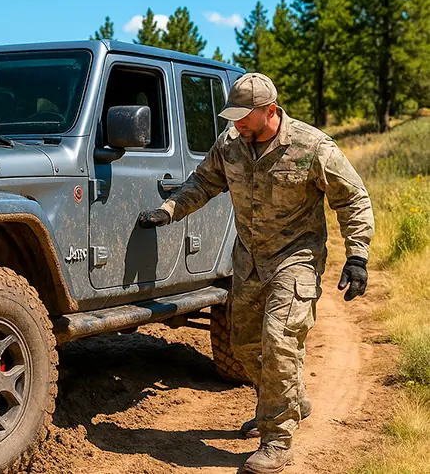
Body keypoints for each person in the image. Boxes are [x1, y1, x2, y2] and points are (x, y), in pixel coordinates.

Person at [137, 72, 374, 474]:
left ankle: (277, 439)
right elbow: (204, 182)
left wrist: (358, 256)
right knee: (245, 345)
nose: (238, 124)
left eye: (246, 117)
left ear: (271, 110)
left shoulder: (312, 147)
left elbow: (352, 199)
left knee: (279, 340)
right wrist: (171, 210)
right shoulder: (230, 144)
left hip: (296, 258)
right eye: (234, 116)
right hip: (248, 260)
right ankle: (287, 400)